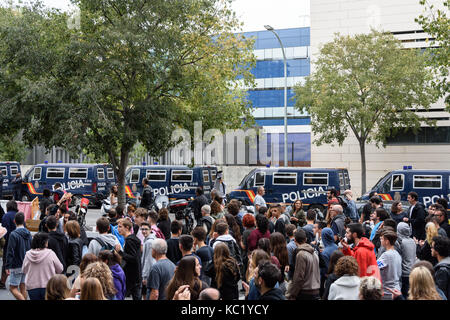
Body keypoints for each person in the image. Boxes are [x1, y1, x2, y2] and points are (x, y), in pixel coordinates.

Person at [22, 232, 63, 300]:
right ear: (44, 242)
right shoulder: (50, 253)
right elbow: (60, 269)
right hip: (48, 285)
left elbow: (24, 270)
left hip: (32, 287)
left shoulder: (28, 254)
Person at [287, 228, 320, 300]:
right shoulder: (314, 253)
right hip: (316, 291)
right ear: (305, 239)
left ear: (295, 240)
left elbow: (299, 277)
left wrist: (293, 294)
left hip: (305, 292)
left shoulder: (301, 254)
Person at [5, 212, 32, 300]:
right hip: (27, 263)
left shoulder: (13, 234)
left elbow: (10, 251)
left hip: (16, 264)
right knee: (23, 286)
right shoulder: (28, 233)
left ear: (14, 221)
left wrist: (7, 266)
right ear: (24, 221)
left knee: (13, 287)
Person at [116, 218, 142, 300]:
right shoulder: (131, 239)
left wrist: (120, 252)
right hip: (135, 274)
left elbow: (133, 258)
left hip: (131, 275)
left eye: (120, 227)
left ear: (127, 228)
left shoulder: (130, 241)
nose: (118, 229)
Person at [377, 230, 402, 300]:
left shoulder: (386, 255)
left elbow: (375, 267)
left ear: (387, 241)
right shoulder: (397, 254)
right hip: (396, 289)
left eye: (381, 239)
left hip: (387, 291)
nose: (380, 241)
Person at [396, 222, 417, 297]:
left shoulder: (400, 242)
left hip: (404, 272)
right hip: (412, 270)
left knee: (404, 293)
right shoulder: (412, 241)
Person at [140, 221, 156, 299]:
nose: (144, 231)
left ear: (150, 230)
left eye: (146, 229)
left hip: (148, 274)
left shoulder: (149, 242)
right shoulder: (149, 239)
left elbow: (148, 260)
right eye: (142, 229)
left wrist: (144, 276)